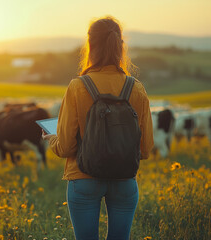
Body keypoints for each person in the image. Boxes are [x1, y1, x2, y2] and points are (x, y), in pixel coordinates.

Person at [42, 16, 154, 240]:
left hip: (83, 178)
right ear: (120, 45)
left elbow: (65, 147)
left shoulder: (77, 87)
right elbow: (146, 149)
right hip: (124, 181)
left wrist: (51, 138)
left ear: (90, 45)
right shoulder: (137, 88)